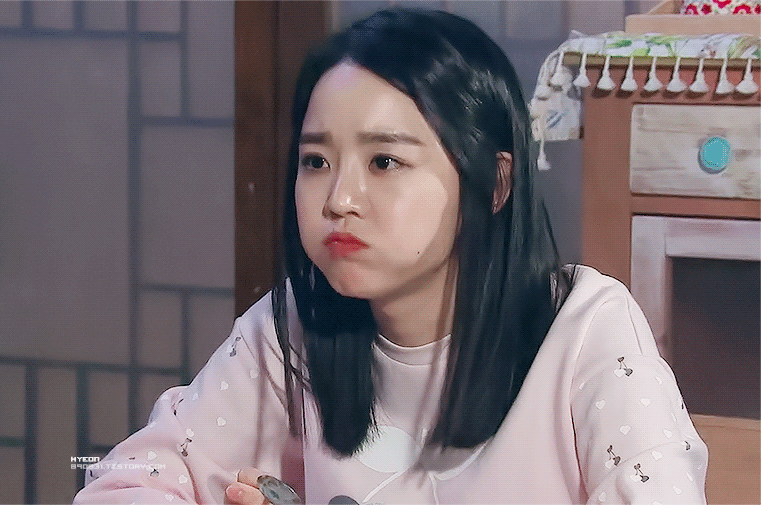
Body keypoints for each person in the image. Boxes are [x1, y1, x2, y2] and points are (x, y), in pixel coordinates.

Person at [74, 8, 707, 505]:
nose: (339, 200)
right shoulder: (292, 326)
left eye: (384, 161)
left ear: (495, 184)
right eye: (316, 161)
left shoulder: (585, 330)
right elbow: (132, 479)